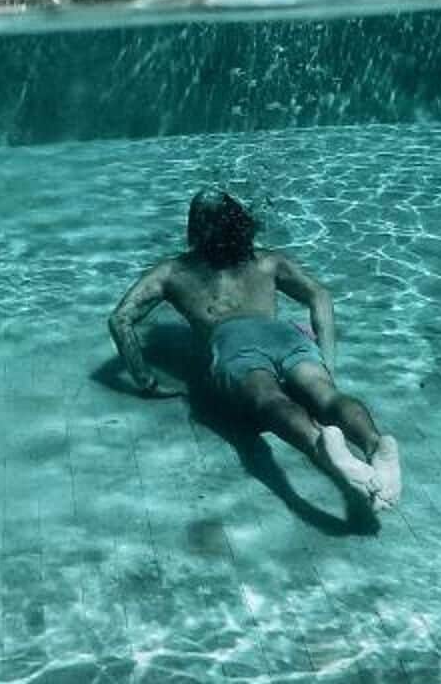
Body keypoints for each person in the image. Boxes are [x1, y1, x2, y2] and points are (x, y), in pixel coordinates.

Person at [109, 190, 404, 514]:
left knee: (270, 401)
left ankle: (318, 442)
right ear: (239, 221)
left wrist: (145, 380)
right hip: (284, 335)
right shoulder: (268, 261)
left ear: (194, 227)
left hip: (234, 343)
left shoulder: (172, 272)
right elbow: (320, 296)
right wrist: (327, 362)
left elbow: (121, 319)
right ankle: (375, 444)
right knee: (328, 396)